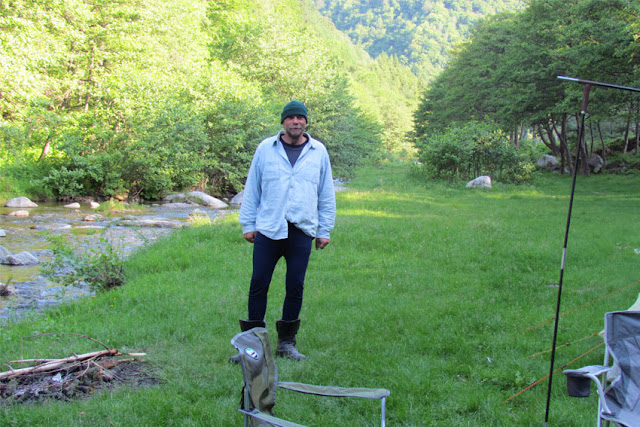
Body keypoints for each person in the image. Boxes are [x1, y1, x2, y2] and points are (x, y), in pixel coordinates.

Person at [237, 100, 336, 361]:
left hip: (302, 229)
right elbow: (252, 187)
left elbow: (326, 193)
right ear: (283, 122)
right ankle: (253, 347)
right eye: (291, 118)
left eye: (300, 118)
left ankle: (286, 344)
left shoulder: (318, 152)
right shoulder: (265, 149)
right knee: (258, 283)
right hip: (269, 228)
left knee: (295, 285)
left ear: (306, 122)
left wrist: (324, 230)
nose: (296, 122)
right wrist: (248, 224)